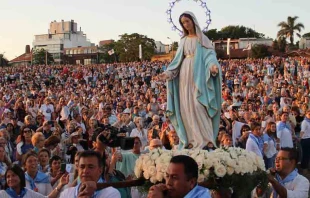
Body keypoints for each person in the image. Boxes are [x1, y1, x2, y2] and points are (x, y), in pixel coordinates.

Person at [158, 11, 222, 149]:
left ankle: (206, 139)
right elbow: (177, 61)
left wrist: (212, 66)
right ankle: (191, 140)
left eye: (187, 21)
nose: (186, 24)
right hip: (184, 76)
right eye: (183, 23)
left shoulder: (202, 39)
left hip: (199, 75)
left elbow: (210, 55)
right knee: (185, 107)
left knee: (199, 105)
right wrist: (168, 73)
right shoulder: (183, 41)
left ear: (193, 20)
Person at [0, 164, 69, 198]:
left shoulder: (27, 192)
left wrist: (60, 185)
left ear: (20, 176)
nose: (10, 179)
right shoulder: (2, 194)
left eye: (13, 175)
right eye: (8, 176)